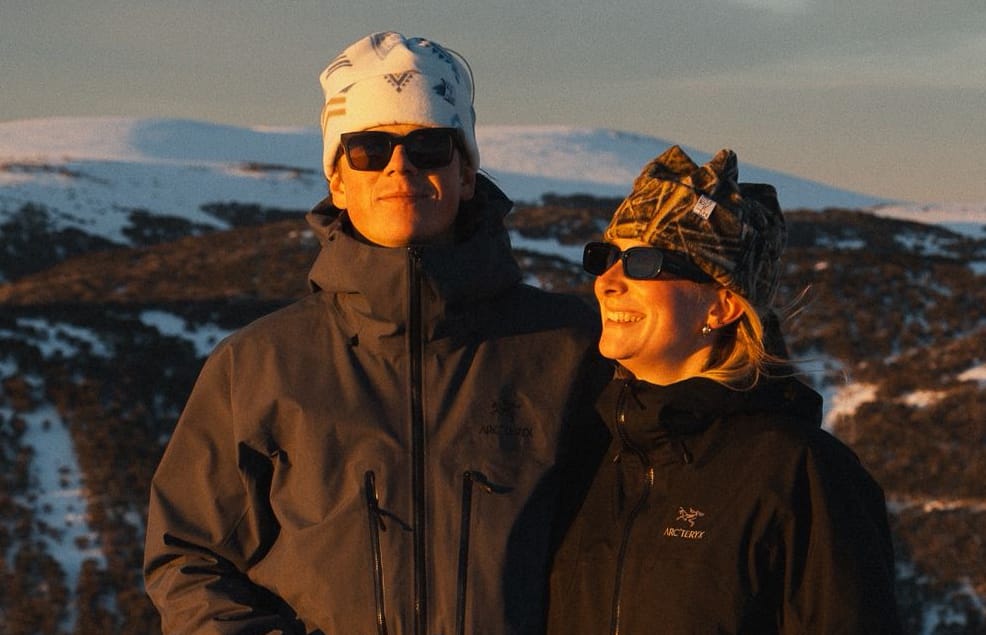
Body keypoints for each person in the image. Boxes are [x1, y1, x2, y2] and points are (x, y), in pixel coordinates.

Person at [143, 31, 608, 635]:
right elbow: (189, 556)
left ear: (466, 173)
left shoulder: (571, 349)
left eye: (430, 146)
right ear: (338, 181)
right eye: (368, 148)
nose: (400, 165)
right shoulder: (257, 366)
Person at [546, 146, 902, 634]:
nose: (607, 281)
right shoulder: (587, 457)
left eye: (642, 262)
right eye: (606, 256)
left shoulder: (800, 474)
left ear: (721, 307)